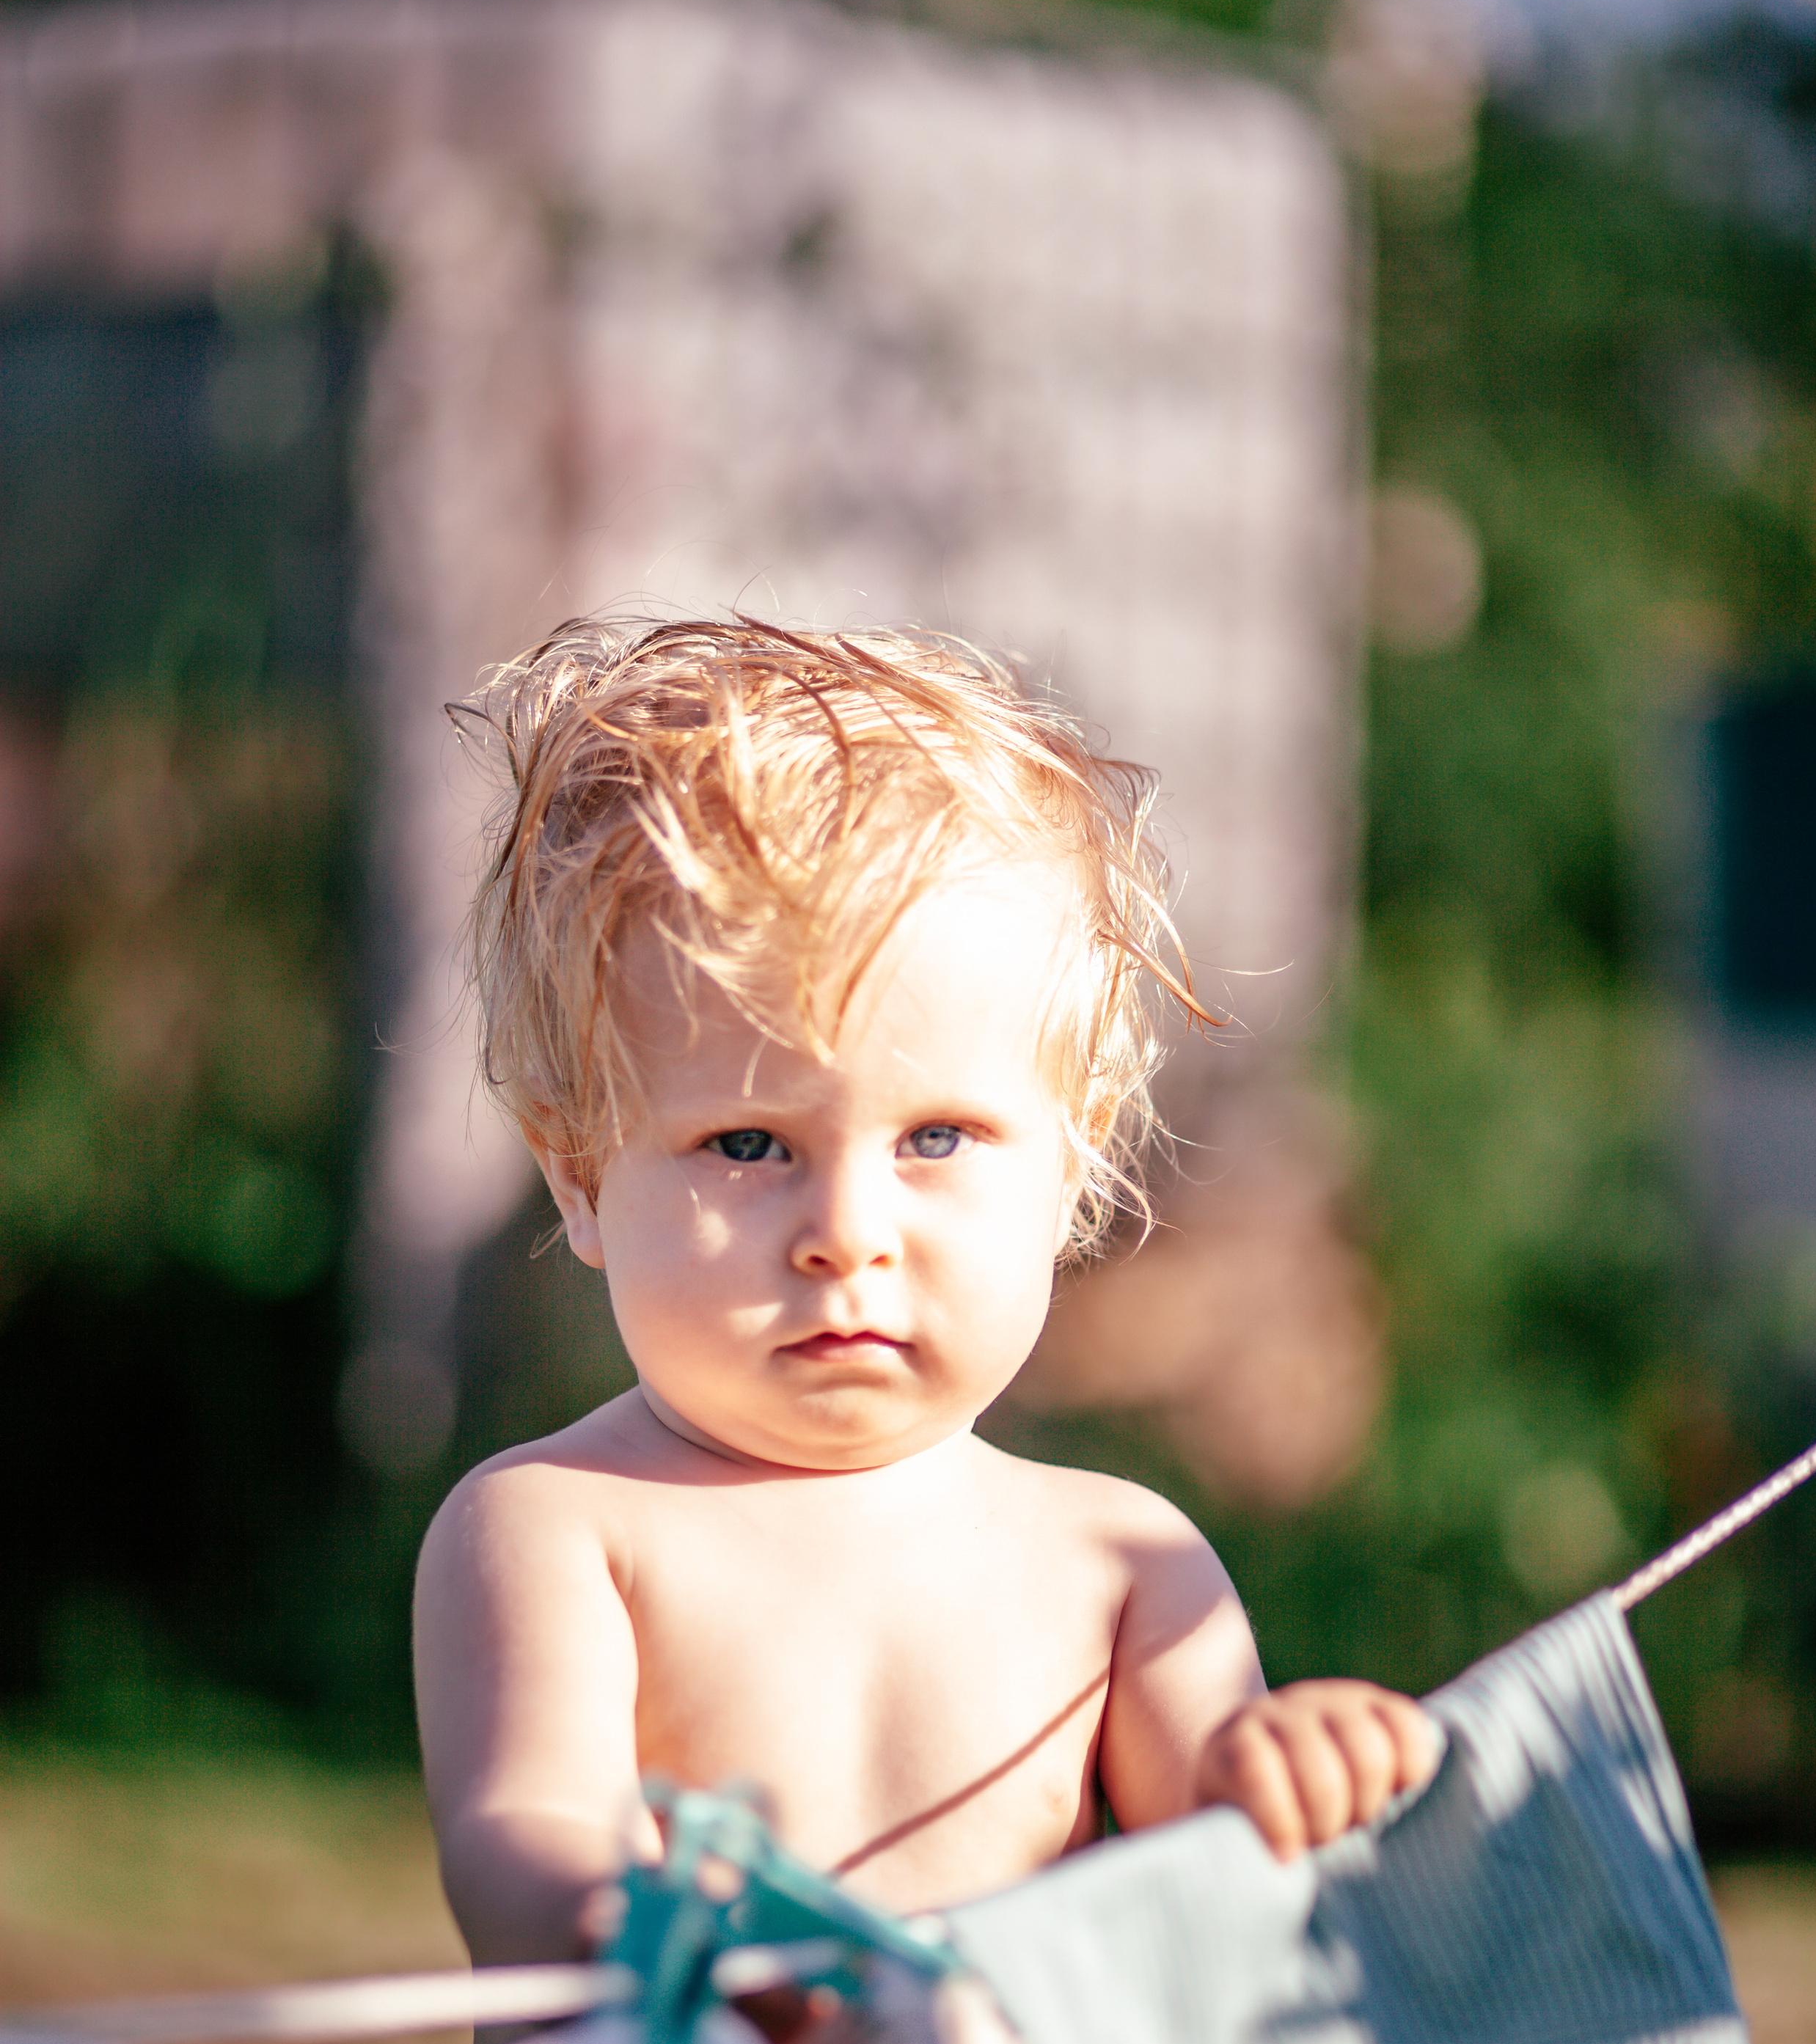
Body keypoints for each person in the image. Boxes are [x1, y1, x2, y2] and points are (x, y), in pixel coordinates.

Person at [415, 616, 1435, 1968]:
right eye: (748, 1145)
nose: (847, 1235)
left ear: (1072, 1168)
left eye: (935, 1139)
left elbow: (1223, 1886)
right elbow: (523, 1835)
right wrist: (624, 1920)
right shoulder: (556, 1528)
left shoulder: (1125, 1563)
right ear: (581, 1175)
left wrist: (1287, 1774)